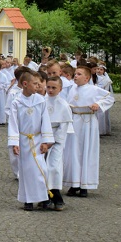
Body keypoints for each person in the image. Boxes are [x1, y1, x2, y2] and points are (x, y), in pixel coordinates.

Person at [63, 63, 114, 198]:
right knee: (73, 152)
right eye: (75, 74)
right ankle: (74, 183)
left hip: (87, 122)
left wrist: (98, 104)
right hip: (74, 122)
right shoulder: (72, 88)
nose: (75, 76)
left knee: (86, 151)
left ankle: (85, 185)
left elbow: (109, 97)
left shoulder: (93, 89)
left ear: (87, 78)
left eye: (79, 74)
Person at [7, 70, 54, 211]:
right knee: (26, 171)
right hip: (23, 140)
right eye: (35, 84)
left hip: (37, 139)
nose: (38, 86)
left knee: (41, 169)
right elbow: (13, 123)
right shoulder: (17, 102)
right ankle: (28, 200)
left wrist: (46, 141)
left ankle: (44, 197)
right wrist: (14, 143)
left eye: (39, 84)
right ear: (25, 84)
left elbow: (45, 121)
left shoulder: (40, 100)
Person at [45, 76, 72, 210]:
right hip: (42, 139)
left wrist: (53, 141)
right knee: (42, 167)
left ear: (60, 89)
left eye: (54, 88)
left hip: (56, 141)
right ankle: (45, 196)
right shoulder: (41, 101)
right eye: (48, 87)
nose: (50, 90)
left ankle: (56, 195)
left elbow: (63, 127)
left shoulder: (64, 105)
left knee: (54, 167)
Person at [95, 64, 113, 136]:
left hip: (102, 98)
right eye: (98, 69)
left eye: (101, 69)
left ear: (104, 71)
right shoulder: (94, 78)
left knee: (102, 114)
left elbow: (106, 91)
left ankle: (103, 130)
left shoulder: (106, 80)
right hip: (95, 97)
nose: (99, 71)